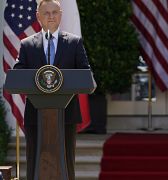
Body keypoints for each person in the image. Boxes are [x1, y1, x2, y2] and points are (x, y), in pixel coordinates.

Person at [13, 0, 90, 179]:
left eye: (55, 12)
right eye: (46, 13)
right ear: (38, 17)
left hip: (67, 114)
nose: (51, 16)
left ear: (61, 15)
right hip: (36, 114)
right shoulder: (27, 44)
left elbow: (85, 75)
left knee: (67, 161)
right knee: (34, 160)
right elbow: (17, 77)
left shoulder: (74, 43)